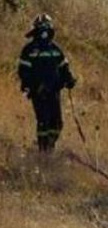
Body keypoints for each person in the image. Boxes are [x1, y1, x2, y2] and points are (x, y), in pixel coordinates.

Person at [17, 14, 77, 153]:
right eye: (41, 28)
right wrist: (30, 87)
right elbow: (23, 71)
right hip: (38, 92)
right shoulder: (29, 50)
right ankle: (43, 151)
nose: (44, 32)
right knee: (43, 122)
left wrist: (69, 80)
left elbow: (64, 67)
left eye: (47, 28)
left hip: (54, 91)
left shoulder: (55, 49)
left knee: (57, 123)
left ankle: (50, 146)